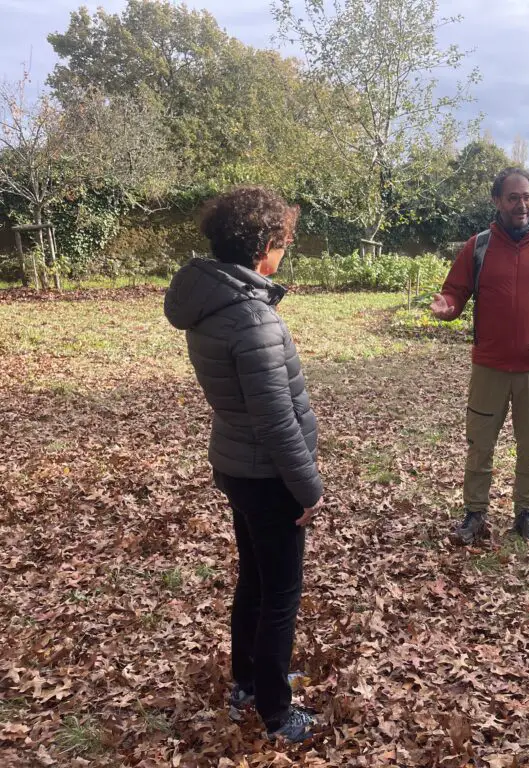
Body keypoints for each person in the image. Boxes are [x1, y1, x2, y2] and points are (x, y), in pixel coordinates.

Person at [164, 186, 323, 743]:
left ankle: (250, 681)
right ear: (264, 247)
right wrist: (308, 489)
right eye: (282, 243)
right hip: (266, 475)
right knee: (279, 592)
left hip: (240, 466)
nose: (284, 253)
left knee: (254, 580)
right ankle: (276, 713)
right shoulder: (252, 318)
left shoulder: (215, 303)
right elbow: (276, 419)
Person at [431, 168, 529, 545]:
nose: (522, 204)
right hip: (490, 367)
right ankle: (475, 513)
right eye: (513, 197)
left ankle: (526, 513)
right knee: (480, 443)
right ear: (497, 201)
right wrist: (447, 307)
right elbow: (455, 292)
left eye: (527, 196)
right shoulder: (478, 246)